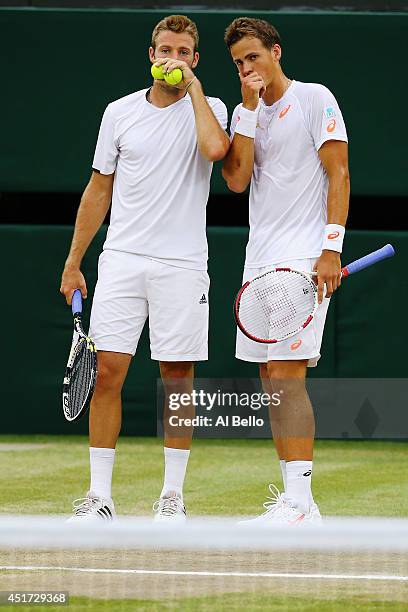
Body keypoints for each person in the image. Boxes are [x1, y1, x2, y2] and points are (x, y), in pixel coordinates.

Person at [60, 14, 229, 522]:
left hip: (182, 265)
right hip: (123, 261)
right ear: (150, 55)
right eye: (164, 51)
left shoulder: (212, 107)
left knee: (177, 377)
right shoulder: (119, 113)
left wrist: (194, 89)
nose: (171, 59)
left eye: (182, 53)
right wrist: (74, 260)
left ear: (194, 60)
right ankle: (99, 497)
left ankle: (172, 497)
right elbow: (99, 188)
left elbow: (216, 150)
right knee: (108, 373)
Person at [222, 17, 349, 524]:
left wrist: (331, 248)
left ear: (275, 51)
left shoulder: (317, 98)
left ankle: (299, 501)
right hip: (259, 261)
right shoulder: (243, 111)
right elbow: (235, 180)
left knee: (288, 377)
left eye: (253, 56)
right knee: (270, 378)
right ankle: (298, 502)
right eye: (238, 62)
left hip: (303, 257)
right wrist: (249, 110)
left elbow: (338, 172)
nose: (247, 67)